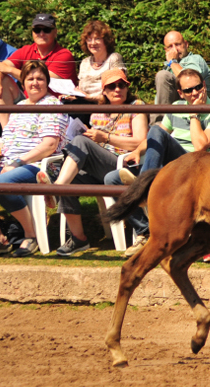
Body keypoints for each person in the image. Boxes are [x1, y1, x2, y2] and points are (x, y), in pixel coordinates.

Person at [38, 69, 148, 257]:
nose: (117, 89)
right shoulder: (98, 111)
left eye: (121, 85)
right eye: (111, 86)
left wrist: (104, 138)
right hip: (100, 167)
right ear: (104, 90)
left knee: (80, 145)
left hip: (125, 166)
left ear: (127, 87)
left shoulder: (136, 106)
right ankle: (79, 239)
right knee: (67, 174)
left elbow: (140, 141)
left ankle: (56, 189)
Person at [105, 68, 210, 257]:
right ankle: (145, 232)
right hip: (172, 164)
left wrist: (194, 114)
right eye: (188, 91)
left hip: (194, 166)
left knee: (156, 131)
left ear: (204, 85)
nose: (194, 93)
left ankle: (145, 189)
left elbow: (200, 147)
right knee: (111, 179)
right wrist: (138, 151)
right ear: (180, 93)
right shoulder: (176, 106)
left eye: (197, 87)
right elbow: (160, 133)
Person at [0, 61, 67, 260]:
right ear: (23, 82)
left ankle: (30, 235)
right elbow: (9, 138)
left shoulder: (52, 105)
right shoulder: (20, 106)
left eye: (40, 78)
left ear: (47, 82)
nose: (35, 82)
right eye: (30, 79)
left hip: (37, 165)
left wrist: (17, 163)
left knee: (1, 183)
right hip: (8, 162)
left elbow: (49, 145)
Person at [0, 13, 77, 110]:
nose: (41, 34)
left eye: (46, 30)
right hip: (27, 102)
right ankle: (7, 126)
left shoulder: (64, 55)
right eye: (37, 30)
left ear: (55, 32)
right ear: (32, 32)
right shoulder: (26, 50)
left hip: (55, 107)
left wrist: (9, 70)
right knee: (3, 80)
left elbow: (44, 81)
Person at [153, 31, 210, 125]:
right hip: (175, 111)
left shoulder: (196, 59)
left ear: (186, 44)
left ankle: (160, 124)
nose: (175, 50)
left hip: (199, 109)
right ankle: (160, 125)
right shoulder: (168, 67)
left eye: (178, 44)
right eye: (170, 47)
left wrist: (172, 62)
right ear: (165, 50)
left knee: (162, 75)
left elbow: (190, 80)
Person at [77, 21, 126, 102]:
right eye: (89, 39)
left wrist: (88, 97)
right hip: (84, 103)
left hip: (104, 105)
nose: (93, 43)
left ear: (106, 41)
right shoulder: (84, 63)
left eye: (97, 38)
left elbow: (116, 93)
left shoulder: (114, 59)